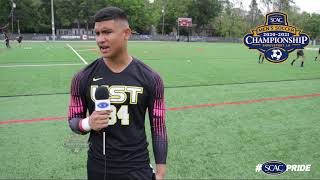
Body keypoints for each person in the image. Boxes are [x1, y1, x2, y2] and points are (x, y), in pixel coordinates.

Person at [68, 7, 167, 180]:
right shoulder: (82, 77)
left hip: (137, 166)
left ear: (126, 33)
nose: (100, 40)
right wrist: (88, 123)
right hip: (99, 166)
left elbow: (158, 127)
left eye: (107, 32)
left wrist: (160, 170)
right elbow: (73, 120)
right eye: (97, 33)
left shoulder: (151, 78)